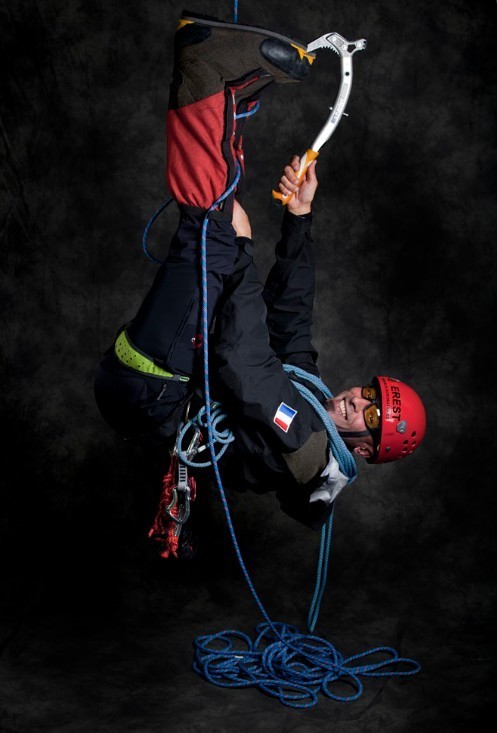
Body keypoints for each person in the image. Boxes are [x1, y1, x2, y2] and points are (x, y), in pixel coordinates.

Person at [94, 11, 426, 541]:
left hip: (147, 394)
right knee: (219, 223)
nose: (356, 400)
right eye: (369, 392)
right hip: (157, 380)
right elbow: (291, 322)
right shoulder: (311, 401)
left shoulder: (305, 444)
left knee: (214, 227)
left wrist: (244, 251)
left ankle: (204, 70)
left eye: (370, 416)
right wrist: (299, 218)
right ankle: (221, 91)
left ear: (365, 450)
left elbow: (245, 360)